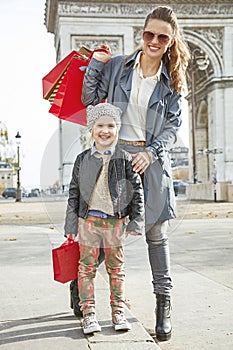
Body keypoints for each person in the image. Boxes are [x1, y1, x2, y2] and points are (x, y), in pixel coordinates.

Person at [81, 6, 190, 341]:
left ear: (170, 42)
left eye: (162, 36)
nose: (154, 41)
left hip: (151, 159)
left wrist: (151, 152)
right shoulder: (117, 67)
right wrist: (97, 62)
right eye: (149, 34)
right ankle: (80, 288)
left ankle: (164, 306)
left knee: (156, 234)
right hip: (115, 158)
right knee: (105, 233)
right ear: (140, 34)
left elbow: (172, 126)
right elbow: (88, 98)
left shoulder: (173, 81)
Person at [64, 102, 145, 335]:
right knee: (86, 268)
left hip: (115, 222)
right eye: (100, 125)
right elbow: (74, 193)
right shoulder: (82, 160)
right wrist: (71, 224)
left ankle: (118, 311)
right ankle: (88, 314)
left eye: (111, 125)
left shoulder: (125, 158)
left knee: (116, 268)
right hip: (88, 221)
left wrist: (136, 220)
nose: (105, 130)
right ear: (92, 128)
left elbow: (136, 191)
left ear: (117, 129)